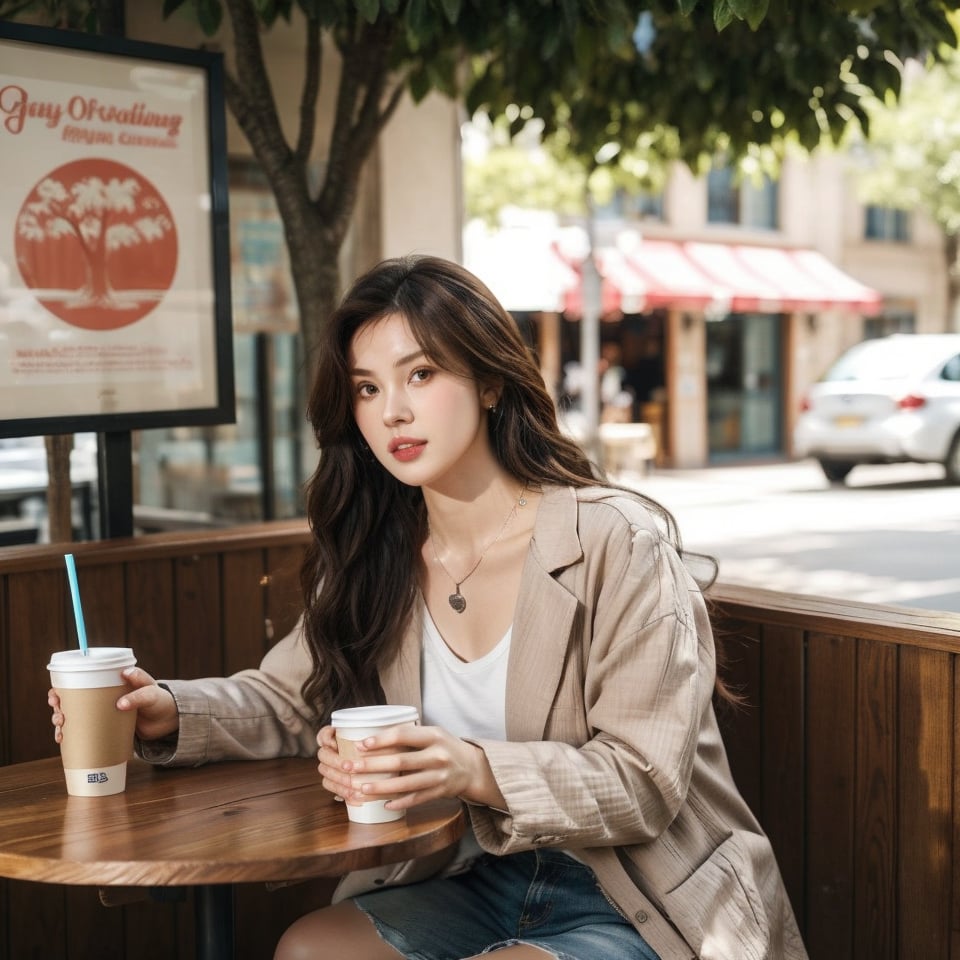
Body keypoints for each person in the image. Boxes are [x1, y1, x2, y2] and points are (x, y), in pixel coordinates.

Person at [50, 255, 806, 960]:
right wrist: (166, 712)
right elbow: (289, 698)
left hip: (638, 889)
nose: (392, 413)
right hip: (468, 874)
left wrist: (470, 768)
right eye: (369, 387)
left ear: (488, 381)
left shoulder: (615, 541)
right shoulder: (378, 551)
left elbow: (643, 782)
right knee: (308, 950)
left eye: (421, 374)